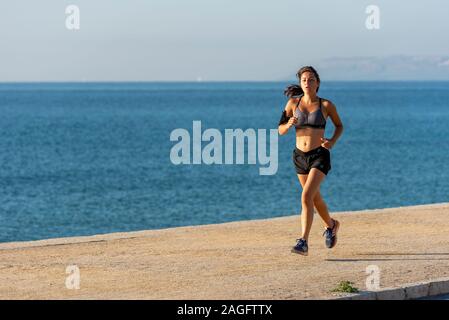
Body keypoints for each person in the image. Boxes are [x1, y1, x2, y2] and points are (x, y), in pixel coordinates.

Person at [278, 66, 344, 256]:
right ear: (301, 83)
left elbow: (339, 126)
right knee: (314, 198)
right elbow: (280, 130)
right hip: (299, 156)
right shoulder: (292, 104)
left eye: (311, 79)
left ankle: (303, 242)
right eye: (304, 79)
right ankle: (331, 226)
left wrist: (331, 141)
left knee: (306, 196)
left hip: (319, 155)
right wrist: (288, 124)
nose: (307, 82)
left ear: (318, 83)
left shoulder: (326, 105)